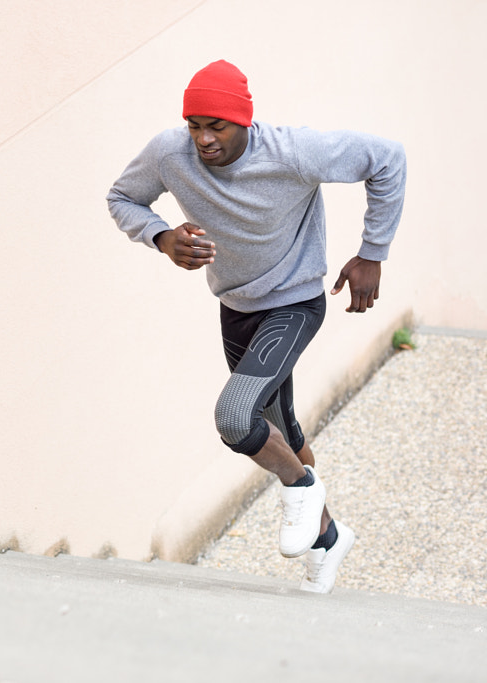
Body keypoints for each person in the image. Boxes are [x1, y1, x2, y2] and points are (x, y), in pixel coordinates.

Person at [106, 59, 405, 593]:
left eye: (216, 126)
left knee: (234, 415)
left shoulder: (295, 151)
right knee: (280, 432)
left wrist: (372, 253)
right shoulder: (168, 154)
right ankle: (328, 538)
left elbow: (388, 159)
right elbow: (123, 198)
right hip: (236, 307)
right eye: (194, 125)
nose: (202, 139)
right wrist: (162, 237)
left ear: (244, 121)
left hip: (293, 303)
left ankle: (300, 487)